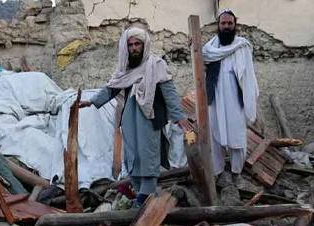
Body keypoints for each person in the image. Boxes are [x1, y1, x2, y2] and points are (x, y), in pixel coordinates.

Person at [80, 27, 192, 208]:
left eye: (137, 44)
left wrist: (179, 117)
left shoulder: (156, 65)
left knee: (148, 154)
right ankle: (145, 194)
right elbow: (112, 88)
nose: (133, 48)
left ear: (144, 45)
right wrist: (91, 102)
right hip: (130, 116)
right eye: (130, 45)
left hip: (149, 115)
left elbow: (169, 92)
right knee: (133, 156)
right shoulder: (124, 70)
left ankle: (144, 196)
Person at [204, 8, 259, 185]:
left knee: (237, 135)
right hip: (215, 96)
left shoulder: (242, 46)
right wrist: (193, 45)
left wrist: (249, 96)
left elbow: (249, 74)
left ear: (235, 25)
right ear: (218, 26)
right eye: (223, 23)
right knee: (214, 133)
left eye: (230, 23)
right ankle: (218, 171)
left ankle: (236, 172)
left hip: (236, 98)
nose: (226, 26)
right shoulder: (209, 48)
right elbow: (200, 58)